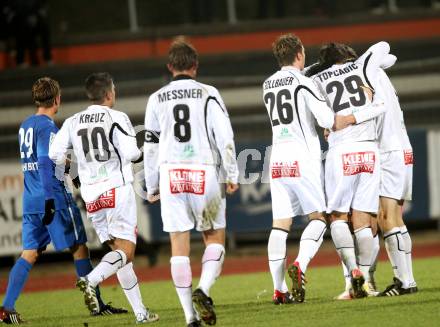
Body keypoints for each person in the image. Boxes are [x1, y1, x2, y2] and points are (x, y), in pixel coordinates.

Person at [0, 77, 126, 325]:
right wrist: (51, 196)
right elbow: (46, 162)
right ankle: (97, 304)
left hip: (30, 199)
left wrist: (71, 170)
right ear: (57, 99)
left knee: (29, 253)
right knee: (79, 246)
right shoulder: (48, 127)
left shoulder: (25, 125)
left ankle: (7, 307)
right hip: (53, 197)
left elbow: (43, 161)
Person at [48, 73, 158, 324]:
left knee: (120, 256)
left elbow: (55, 154)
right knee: (127, 252)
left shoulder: (73, 121)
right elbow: (130, 154)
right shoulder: (117, 117)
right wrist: (150, 152)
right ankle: (91, 279)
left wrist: (73, 171)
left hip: (92, 197)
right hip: (116, 190)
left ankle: (141, 313)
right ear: (109, 94)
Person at [144, 40, 239, 327]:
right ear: (195, 66)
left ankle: (189, 317)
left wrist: (151, 185)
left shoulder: (156, 98)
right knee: (214, 238)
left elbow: (150, 146)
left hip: (171, 175)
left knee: (178, 246)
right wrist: (231, 174)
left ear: (170, 67)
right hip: (203, 172)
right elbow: (225, 138)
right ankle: (204, 289)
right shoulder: (208, 93)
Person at [263, 33, 354, 305]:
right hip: (302, 157)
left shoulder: (267, 84)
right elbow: (327, 119)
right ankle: (300, 265)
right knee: (318, 218)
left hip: (277, 158)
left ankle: (279, 290)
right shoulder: (304, 83)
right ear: (300, 54)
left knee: (280, 225)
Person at [309, 41, 389, 298]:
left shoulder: (315, 77)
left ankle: (350, 281)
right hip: (368, 149)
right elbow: (381, 105)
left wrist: (337, 122)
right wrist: (356, 116)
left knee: (338, 217)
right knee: (364, 222)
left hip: (341, 150)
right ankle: (365, 282)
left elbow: (323, 117)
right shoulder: (361, 69)